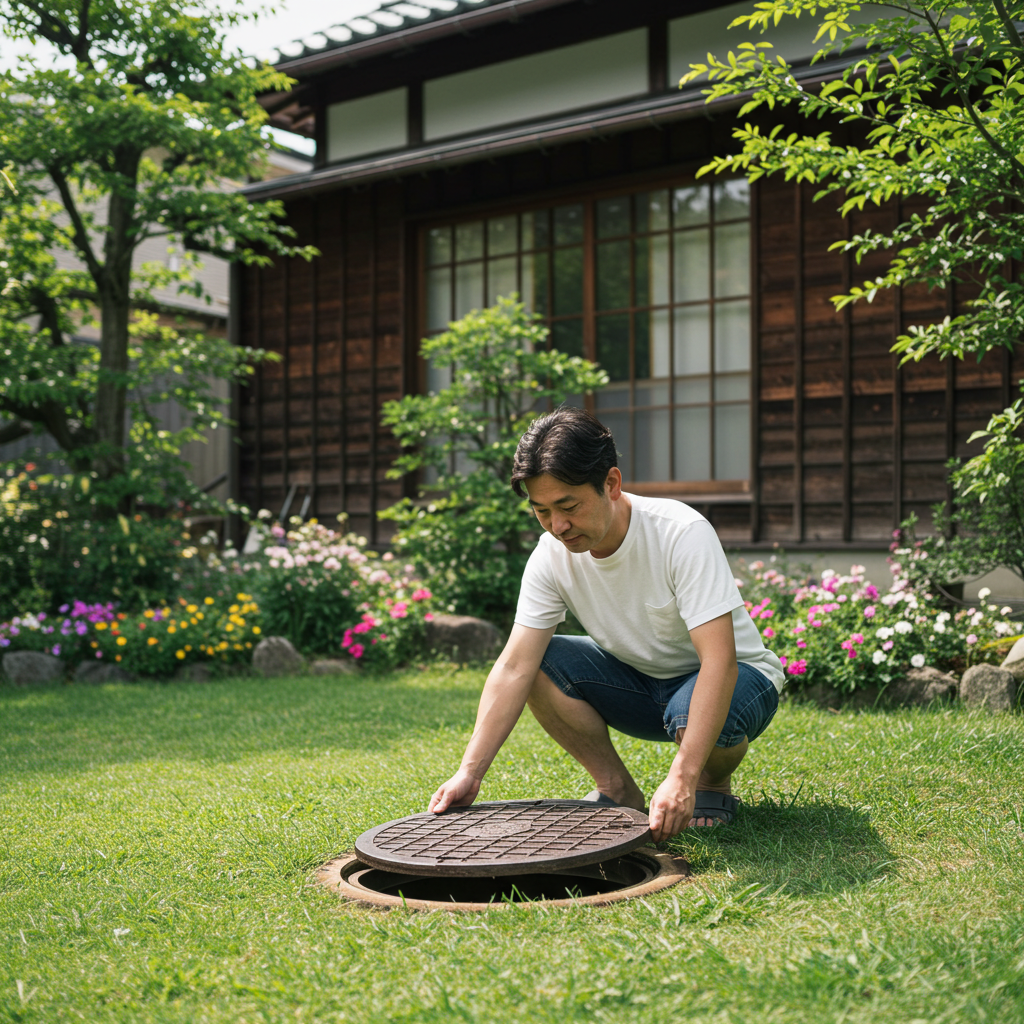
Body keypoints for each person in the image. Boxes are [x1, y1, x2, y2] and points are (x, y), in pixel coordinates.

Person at [428, 407, 784, 840]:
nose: (558, 526)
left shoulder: (681, 533)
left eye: (568, 506)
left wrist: (682, 779)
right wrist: (471, 772)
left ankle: (712, 782)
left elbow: (720, 662)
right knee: (541, 660)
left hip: (737, 680)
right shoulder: (549, 556)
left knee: (690, 709)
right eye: (541, 511)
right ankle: (616, 789)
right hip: (640, 685)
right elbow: (514, 667)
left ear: (611, 484)